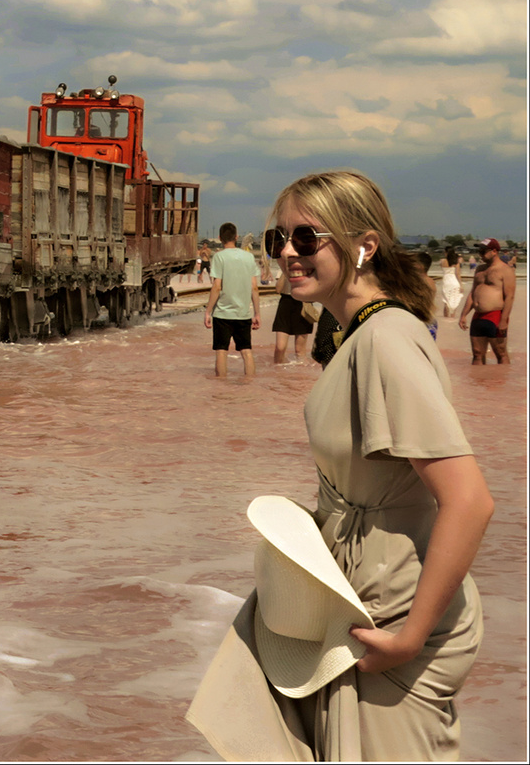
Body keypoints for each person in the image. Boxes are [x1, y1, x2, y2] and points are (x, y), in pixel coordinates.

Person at [187, 170, 493, 760]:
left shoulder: (385, 339)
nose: (286, 253)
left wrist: (410, 637)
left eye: (306, 237)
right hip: (358, 596)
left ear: (364, 245)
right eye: (278, 238)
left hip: (392, 613)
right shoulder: (359, 333)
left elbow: (469, 500)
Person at [205, 221, 260, 378]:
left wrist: (208, 311)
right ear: (236, 237)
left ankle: (221, 386)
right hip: (243, 313)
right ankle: (250, 384)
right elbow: (254, 287)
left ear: (220, 238)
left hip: (222, 314)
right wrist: (257, 313)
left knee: (221, 351)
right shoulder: (249, 257)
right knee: (246, 351)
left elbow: (217, 287)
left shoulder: (219, 257)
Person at [457, 238, 515, 366]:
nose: (480, 254)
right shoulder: (480, 269)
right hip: (478, 316)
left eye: (483, 252)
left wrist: (504, 320)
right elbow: (473, 293)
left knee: (500, 353)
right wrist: (464, 315)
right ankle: (478, 379)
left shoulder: (505, 270)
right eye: (479, 251)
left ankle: (504, 378)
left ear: (494, 251)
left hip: (495, 315)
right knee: (477, 353)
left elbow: (509, 297)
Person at [267, 226, 315, 363]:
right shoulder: (283, 268)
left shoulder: (306, 267)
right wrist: (287, 269)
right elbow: (278, 289)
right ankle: (278, 371)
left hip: (303, 304)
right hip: (286, 303)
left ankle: (299, 374)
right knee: (280, 347)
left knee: (300, 350)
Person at [437, 248, 465, 330]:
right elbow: (458, 274)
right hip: (454, 281)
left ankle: (445, 318)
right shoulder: (456, 262)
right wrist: (461, 285)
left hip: (446, 281)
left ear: (446, 252)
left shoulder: (442, 261)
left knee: (446, 301)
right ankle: (452, 317)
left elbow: (442, 268)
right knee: (454, 300)